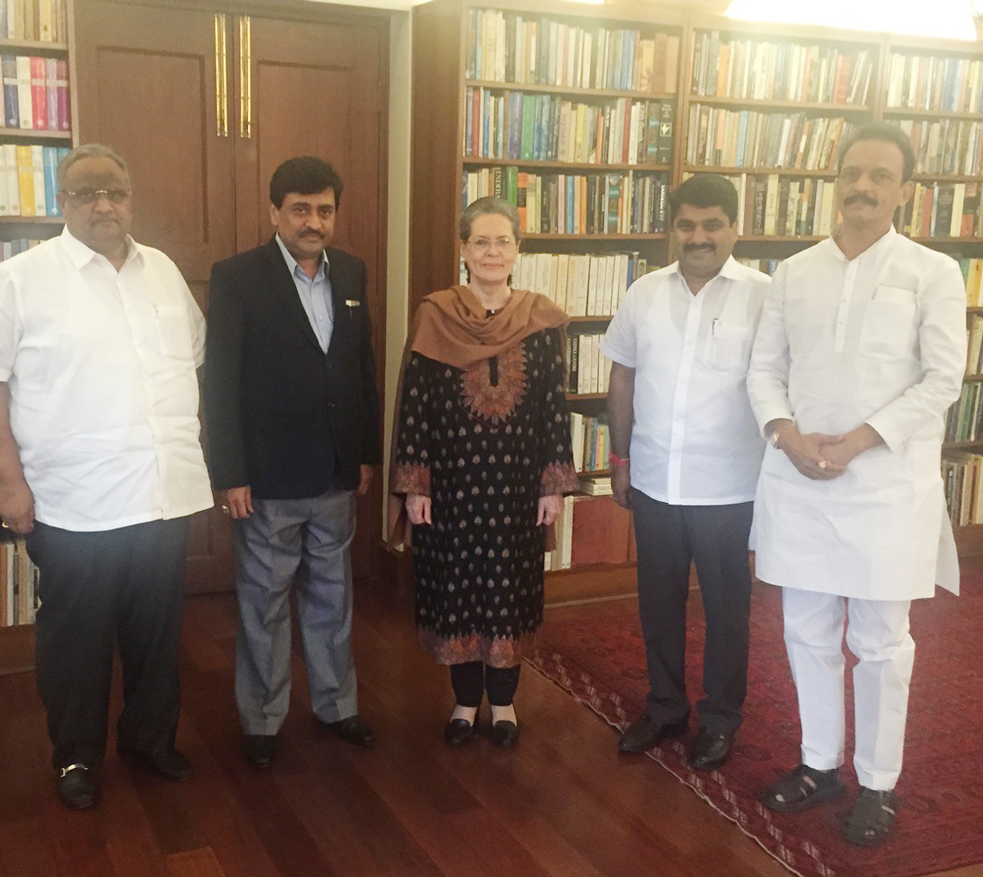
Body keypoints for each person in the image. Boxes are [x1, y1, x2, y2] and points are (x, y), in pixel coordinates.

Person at [0, 144, 212, 810]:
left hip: (163, 492)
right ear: (61, 202)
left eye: (115, 192)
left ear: (131, 197)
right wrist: (8, 481)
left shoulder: (163, 272)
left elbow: (195, 357)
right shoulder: (20, 278)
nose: (104, 204)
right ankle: (75, 755)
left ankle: (150, 741)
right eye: (86, 192)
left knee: (156, 635)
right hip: (75, 503)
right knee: (77, 644)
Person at [746, 122, 966, 846]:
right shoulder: (795, 271)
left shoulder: (933, 272)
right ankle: (818, 764)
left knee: (879, 639)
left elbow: (944, 378)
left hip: (885, 487)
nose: (863, 186)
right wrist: (787, 432)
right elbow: (765, 369)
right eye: (852, 172)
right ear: (834, 181)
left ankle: (878, 782)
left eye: (880, 175)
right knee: (806, 629)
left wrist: (862, 439)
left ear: (906, 190)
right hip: (801, 476)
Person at [204, 156, 381, 770]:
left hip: (334, 471)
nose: (314, 221)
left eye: (325, 210)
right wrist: (228, 471)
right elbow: (219, 381)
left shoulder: (353, 272)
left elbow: (362, 368)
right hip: (267, 476)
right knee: (264, 600)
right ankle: (261, 719)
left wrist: (365, 453)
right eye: (300, 209)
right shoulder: (236, 277)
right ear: (275, 211)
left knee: (334, 596)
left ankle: (337, 706)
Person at [389, 195, 577, 749]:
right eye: (481, 241)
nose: (492, 252)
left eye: (503, 241)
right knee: (457, 592)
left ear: (518, 251)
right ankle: (465, 704)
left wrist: (553, 486)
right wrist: (414, 486)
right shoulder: (434, 315)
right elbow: (415, 405)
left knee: (508, 594)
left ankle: (505, 706)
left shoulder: (541, 318)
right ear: (464, 249)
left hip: (518, 491)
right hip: (452, 489)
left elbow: (553, 406)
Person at [602, 175, 770, 771]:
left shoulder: (765, 297)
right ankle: (666, 707)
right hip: (654, 482)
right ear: (672, 229)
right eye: (686, 225)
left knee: (728, 611)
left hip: (729, 488)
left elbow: (779, 390)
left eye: (712, 225)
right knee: (658, 605)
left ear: (734, 228)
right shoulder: (643, 293)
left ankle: (721, 718)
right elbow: (622, 376)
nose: (698, 237)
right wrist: (618, 459)